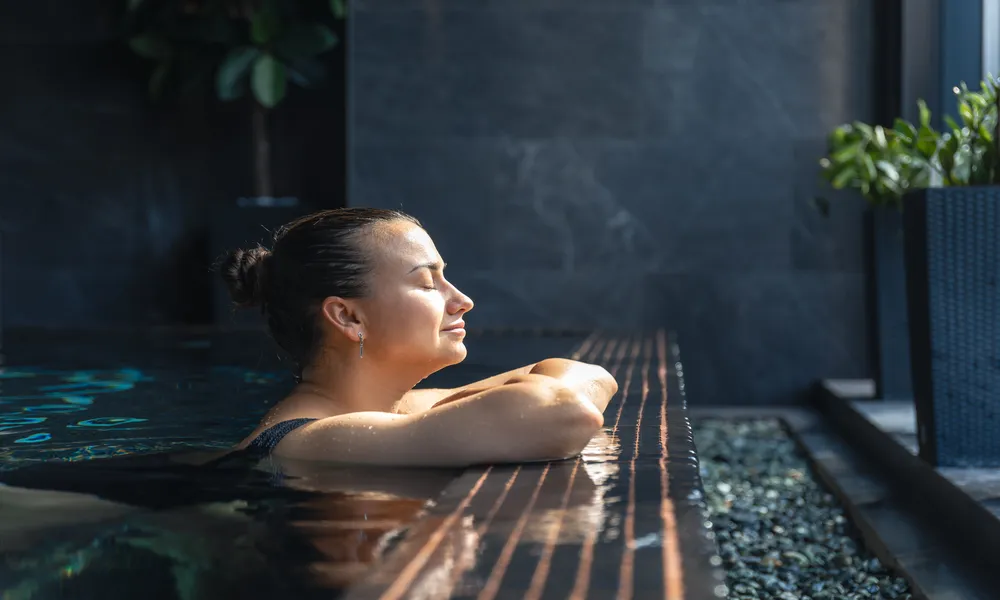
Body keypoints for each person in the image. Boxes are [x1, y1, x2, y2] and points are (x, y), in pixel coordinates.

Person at [218, 207, 617, 467]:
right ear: (348, 316)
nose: (463, 301)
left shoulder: (397, 407)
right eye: (428, 283)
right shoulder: (309, 441)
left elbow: (591, 375)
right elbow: (564, 410)